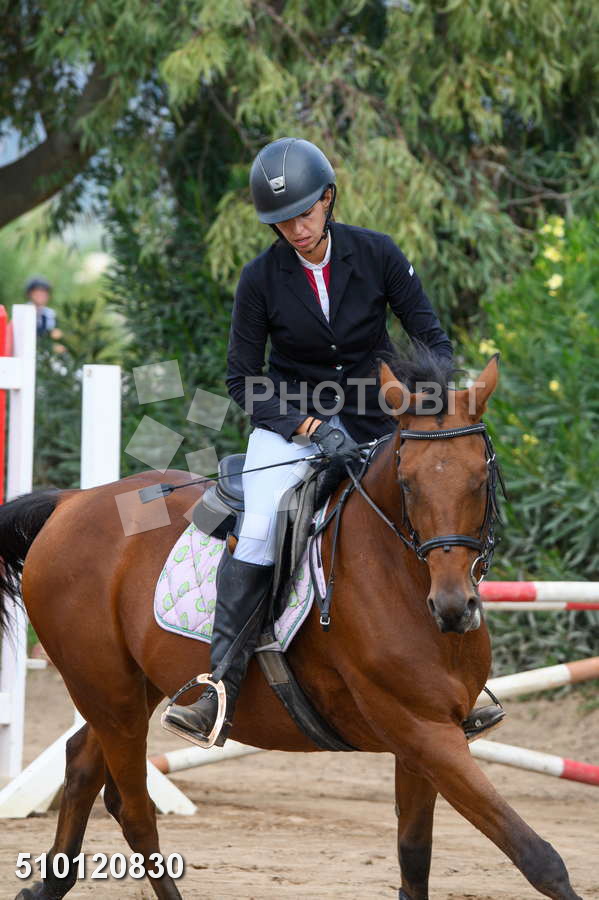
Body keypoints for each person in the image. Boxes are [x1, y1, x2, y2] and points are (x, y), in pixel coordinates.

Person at [164, 137, 503, 746]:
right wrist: (311, 428)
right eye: (282, 221)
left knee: (438, 504)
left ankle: (462, 679)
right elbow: (242, 378)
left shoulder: (378, 253)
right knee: (261, 525)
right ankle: (220, 686)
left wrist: (425, 405)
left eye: (304, 213)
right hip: (293, 428)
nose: (296, 229)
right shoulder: (260, 278)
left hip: (381, 422)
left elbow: (432, 339)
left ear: (327, 199)